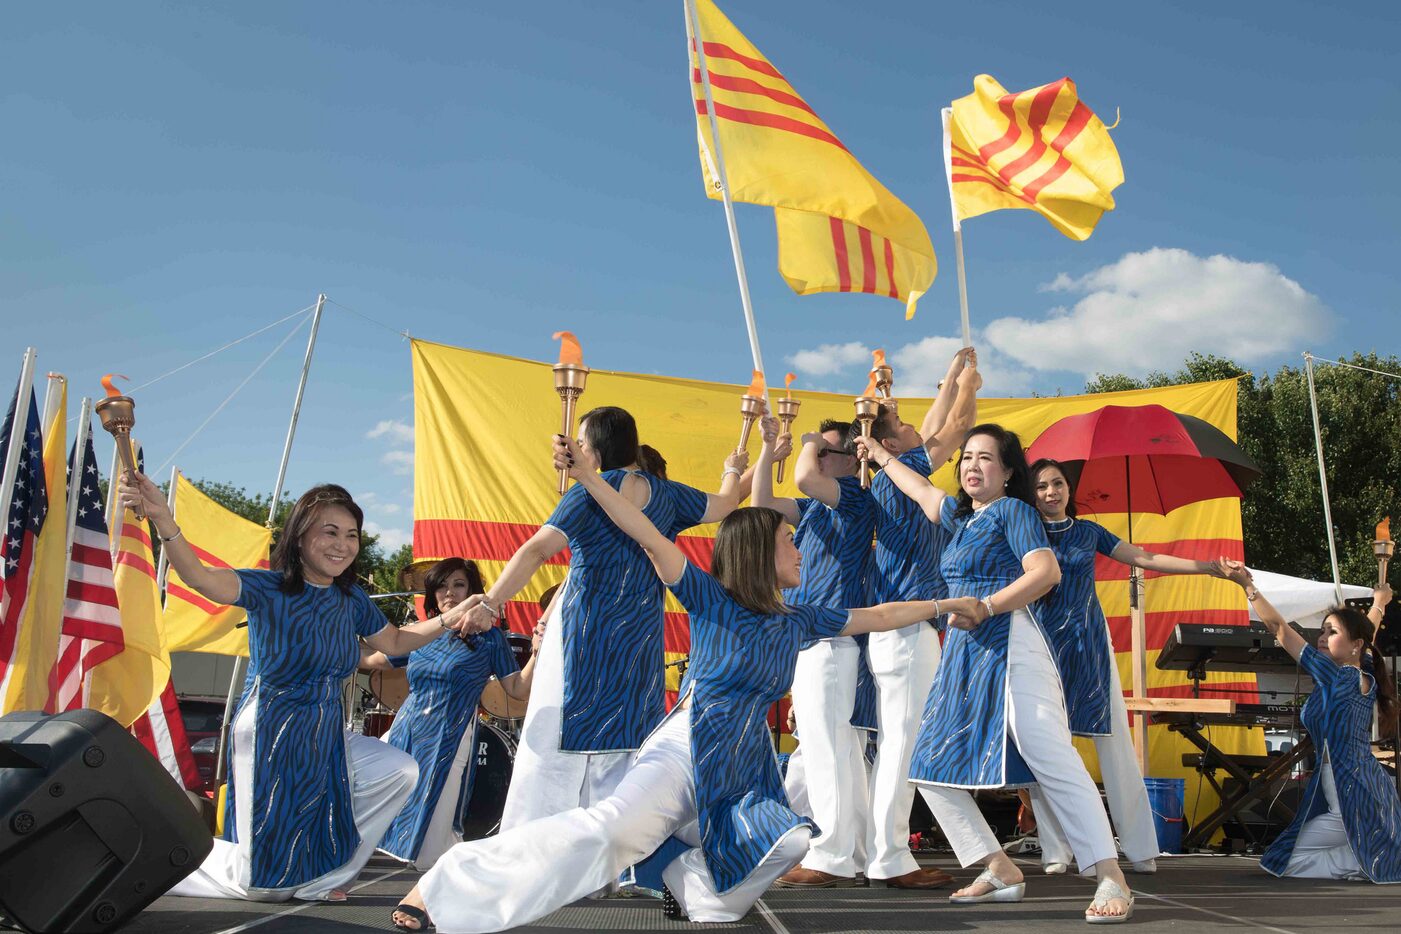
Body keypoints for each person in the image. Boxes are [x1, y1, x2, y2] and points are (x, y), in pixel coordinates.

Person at [388, 430, 956, 932]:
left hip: (741, 764)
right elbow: (643, 530)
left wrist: (951, 602)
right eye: (790, 540)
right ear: (759, 551)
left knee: (785, 845)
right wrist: (590, 478)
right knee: (610, 834)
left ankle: (682, 873)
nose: (800, 547)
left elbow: (880, 615)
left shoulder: (799, 619)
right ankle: (449, 884)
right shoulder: (709, 598)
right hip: (687, 745)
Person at [116, 477, 464, 902]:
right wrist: (165, 521)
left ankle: (326, 876)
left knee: (398, 771)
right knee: (258, 887)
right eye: (330, 532)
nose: (343, 544)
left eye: (352, 534)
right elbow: (200, 578)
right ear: (300, 537)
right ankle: (162, 857)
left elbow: (393, 643)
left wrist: (451, 617)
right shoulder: (268, 587)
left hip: (324, 732)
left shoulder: (350, 598)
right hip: (269, 728)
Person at [859, 424, 1134, 923]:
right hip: (964, 651)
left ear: (1009, 472)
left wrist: (986, 606)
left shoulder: (1014, 512)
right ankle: (998, 866)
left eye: (985, 458)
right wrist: (879, 453)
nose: (971, 466)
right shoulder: (960, 520)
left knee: (1049, 754)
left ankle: (1111, 873)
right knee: (928, 765)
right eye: (966, 457)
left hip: (1014, 644)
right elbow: (917, 487)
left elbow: (1045, 573)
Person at [466, 406, 752, 831]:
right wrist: (733, 468)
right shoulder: (668, 495)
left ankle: (537, 846)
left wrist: (491, 603)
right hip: (639, 632)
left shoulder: (587, 491)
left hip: (583, 629)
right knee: (629, 739)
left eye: (582, 443)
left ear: (596, 448)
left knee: (557, 736)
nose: (578, 451)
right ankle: (617, 855)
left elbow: (537, 550)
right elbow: (728, 503)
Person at [1027, 458, 1224, 877]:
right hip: (1039, 647)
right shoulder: (1023, 531)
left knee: (1114, 747)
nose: (1050, 493)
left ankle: (1138, 847)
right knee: (1046, 750)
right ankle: (1056, 849)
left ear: (1068, 489)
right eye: (1041, 486)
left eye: (1057, 483)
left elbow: (1145, 556)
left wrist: (1206, 566)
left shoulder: (1088, 532)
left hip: (1089, 647)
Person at [855, 346, 979, 889]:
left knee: (897, 745)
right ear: (887, 445)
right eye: (901, 426)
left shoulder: (891, 471)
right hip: (908, 631)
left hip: (901, 631)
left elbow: (929, 426)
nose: (915, 430)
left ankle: (878, 851)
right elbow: (953, 427)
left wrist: (951, 375)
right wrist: (969, 387)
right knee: (904, 747)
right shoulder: (899, 471)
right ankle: (888, 858)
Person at [1221, 562, 1401, 883]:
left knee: (1282, 861)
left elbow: (1279, 629)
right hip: (1357, 787)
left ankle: (1362, 861)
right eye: (1322, 630)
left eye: (1332, 633)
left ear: (1354, 645)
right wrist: (1378, 604)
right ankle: (1366, 854)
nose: (1322, 637)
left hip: (1351, 792)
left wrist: (1247, 586)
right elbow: (1366, 630)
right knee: (1283, 857)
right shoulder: (1361, 667)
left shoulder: (1338, 675)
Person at [751, 415, 873, 886]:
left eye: (826, 452)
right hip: (809, 637)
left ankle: (832, 856)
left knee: (831, 751)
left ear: (851, 459)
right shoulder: (817, 509)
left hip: (833, 638)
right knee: (829, 751)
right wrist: (766, 450)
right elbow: (761, 505)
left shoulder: (857, 501)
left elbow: (804, 474)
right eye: (817, 451)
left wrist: (803, 442)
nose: (816, 458)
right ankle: (849, 852)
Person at [361, 558, 540, 870]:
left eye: (458, 585)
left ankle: (440, 893)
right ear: (432, 595)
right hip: (405, 733)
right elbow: (374, 661)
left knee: (432, 852)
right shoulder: (419, 634)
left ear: (472, 591)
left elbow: (517, 689)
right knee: (367, 797)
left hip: (449, 738)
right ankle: (340, 870)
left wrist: (539, 651)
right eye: (441, 586)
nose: (449, 593)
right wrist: (327, 634)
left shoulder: (490, 639)